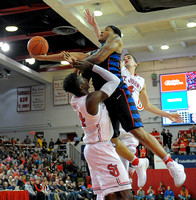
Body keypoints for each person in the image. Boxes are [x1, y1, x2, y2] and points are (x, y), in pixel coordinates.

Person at [31, 10, 186, 187]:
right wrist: (42, 57)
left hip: (118, 91)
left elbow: (97, 57)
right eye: (101, 30)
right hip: (104, 96)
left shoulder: (116, 41)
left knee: (137, 132)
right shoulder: (96, 50)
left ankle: (172, 164)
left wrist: (80, 61)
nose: (101, 32)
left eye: (105, 30)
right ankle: (138, 163)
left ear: (114, 33)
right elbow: (71, 55)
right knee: (111, 139)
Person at [63, 60, 132, 199]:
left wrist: (76, 70)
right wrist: (92, 67)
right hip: (101, 148)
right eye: (82, 78)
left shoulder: (75, 101)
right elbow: (115, 80)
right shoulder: (92, 99)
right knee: (125, 193)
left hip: (92, 149)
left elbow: (74, 84)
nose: (85, 78)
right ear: (82, 85)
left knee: (109, 193)